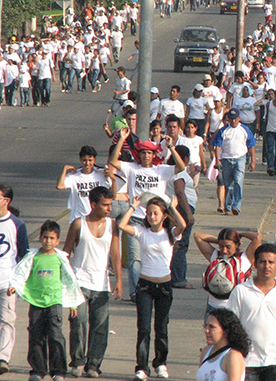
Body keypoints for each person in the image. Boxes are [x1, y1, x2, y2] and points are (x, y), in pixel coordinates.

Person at [109, 127, 186, 300]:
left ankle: (155, 286)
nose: (146, 156)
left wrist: (171, 147)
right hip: (137, 218)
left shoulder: (162, 170)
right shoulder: (132, 168)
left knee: (156, 255)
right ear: (139, 154)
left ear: (154, 155)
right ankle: (137, 292)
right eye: (143, 153)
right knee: (135, 258)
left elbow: (181, 167)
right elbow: (114, 161)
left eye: (149, 153)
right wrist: (121, 138)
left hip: (159, 221)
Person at [118, 195, 186, 381]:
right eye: (149, 213)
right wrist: (133, 207)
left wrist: (172, 207)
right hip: (145, 286)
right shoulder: (141, 231)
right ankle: (141, 367)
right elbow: (122, 226)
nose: (151, 216)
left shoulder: (170, 233)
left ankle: (161, 363)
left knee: (161, 327)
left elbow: (183, 225)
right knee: (144, 328)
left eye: (155, 213)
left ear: (163, 216)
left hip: (164, 286)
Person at [8, 220, 84, 381]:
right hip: (36, 302)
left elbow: (70, 281)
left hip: (54, 303)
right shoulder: (33, 256)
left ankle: (58, 370)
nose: (47, 241)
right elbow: (21, 272)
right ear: (41, 238)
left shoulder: (60, 258)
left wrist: (72, 304)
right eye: (45, 237)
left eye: (51, 238)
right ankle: (38, 370)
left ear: (57, 241)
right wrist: (15, 286)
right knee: (36, 336)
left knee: (55, 336)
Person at [63, 187, 122, 377]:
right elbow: (66, 252)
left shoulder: (112, 225)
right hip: (79, 281)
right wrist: (65, 281)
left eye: (110, 205)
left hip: (101, 283)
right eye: (105, 205)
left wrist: (119, 280)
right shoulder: (78, 224)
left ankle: (94, 365)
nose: (109, 209)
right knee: (78, 321)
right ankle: (78, 361)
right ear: (93, 204)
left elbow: (115, 254)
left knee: (100, 326)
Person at [228, 244, 276, 381]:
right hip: (246, 361)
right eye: (262, 262)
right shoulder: (240, 291)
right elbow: (229, 327)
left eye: (271, 262)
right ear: (255, 264)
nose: (266, 266)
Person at [194, 229, 261, 316]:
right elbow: (197, 236)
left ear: (237, 245)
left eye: (228, 247)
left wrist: (239, 234)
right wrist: (220, 240)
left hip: (234, 310)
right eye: (221, 246)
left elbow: (257, 237)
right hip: (213, 309)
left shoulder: (244, 259)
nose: (224, 250)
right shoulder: (215, 256)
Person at [0, 183, 29, 374]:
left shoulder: (17, 225)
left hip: (7, 280)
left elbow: (24, 257)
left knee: (6, 320)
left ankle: (3, 357)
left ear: (7, 201)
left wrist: (18, 282)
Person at [212, 109, 257, 216]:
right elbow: (217, 146)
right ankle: (228, 207)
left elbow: (251, 146)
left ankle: (236, 206)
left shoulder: (244, 129)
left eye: (235, 119)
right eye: (231, 119)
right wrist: (218, 159)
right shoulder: (223, 130)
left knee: (238, 181)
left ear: (239, 119)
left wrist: (253, 161)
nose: (233, 122)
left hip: (240, 158)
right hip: (226, 159)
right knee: (229, 184)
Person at [165, 146, 198, 289]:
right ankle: (178, 278)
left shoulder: (172, 171)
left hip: (176, 208)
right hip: (182, 210)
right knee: (180, 244)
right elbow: (179, 192)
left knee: (176, 242)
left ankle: (173, 276)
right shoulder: (178, 173)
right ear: (184, 158)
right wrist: (188, 214)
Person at [56, 146, 111, 223]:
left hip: (95, 218)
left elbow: (112, 188)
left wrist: (110, 175)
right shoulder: (74, 176)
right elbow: (59, 186)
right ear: (80, 160)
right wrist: (64, 170)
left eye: (90, 160)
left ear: (94, 160)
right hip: (78, 218)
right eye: (84, 160)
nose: (87, 163)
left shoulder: (101, 174)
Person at [197, 308, 250, 381]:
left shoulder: (233, 356)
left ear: (225, 331)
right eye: (206, 326)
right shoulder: (206, 351)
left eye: (212, 327)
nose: (206, 330)